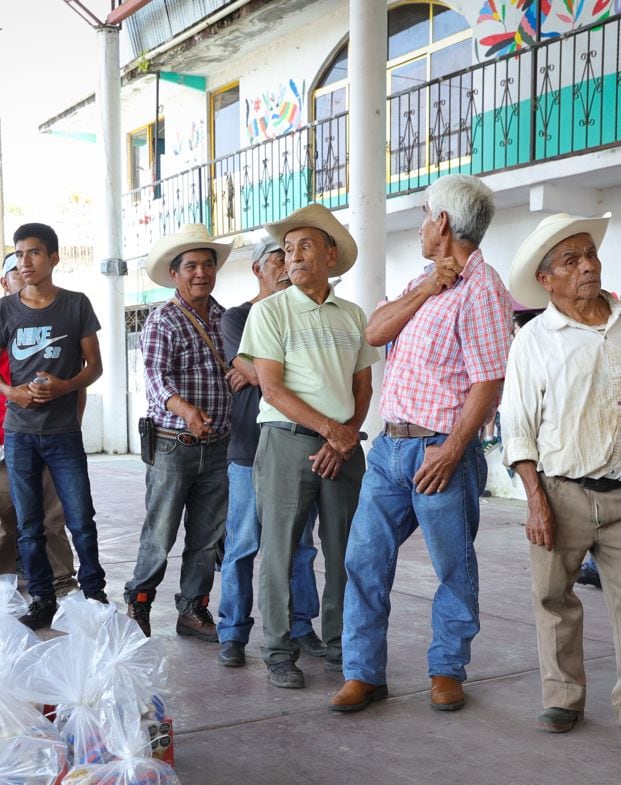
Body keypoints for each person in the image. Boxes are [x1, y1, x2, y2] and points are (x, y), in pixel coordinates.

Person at [335, 175, 512, 714]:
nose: (419, 226)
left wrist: (454, 449)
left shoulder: (484, 290)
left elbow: (489, 381)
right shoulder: (423, 278)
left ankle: (447, 668)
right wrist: (426, 287)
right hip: (390, 451)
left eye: (424, 215)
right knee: (364, 561)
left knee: (452, 566)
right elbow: (374, 332)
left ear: (442, 223)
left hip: (440, 451)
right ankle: (363, 673)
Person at [500, 212, 621, 745]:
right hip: (560, 493)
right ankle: (562, 697)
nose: (588, 266)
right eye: (570, 261)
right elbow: (519, 426)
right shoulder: (534, 338)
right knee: (554, 600)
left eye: (590, 255)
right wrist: (535, 502)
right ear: (546, 280)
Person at [242, 203, 378, 690]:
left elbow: (362, 388)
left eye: (305, 247)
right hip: (286, 442)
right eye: (288, 249)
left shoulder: (353, 315)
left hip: (342, 447)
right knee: (279, 550)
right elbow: (272, 389)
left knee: (346, 551)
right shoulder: (270, 311)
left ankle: (341, 644)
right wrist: (331, 431)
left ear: (330, 255)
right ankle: (279, 650)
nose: (294, 257)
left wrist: (344, 436)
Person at [0, 222, 108, 629]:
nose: (26, 261)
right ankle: (41, 598)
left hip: (63, 432)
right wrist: (12, 393)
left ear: (54, 257)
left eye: (34, 253)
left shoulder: (76, 305)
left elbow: (95, 366)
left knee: (80, 519)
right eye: (19, 254)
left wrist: (64, 387)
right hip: (20, 432)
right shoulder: (5, 309)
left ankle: (94, 594)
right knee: (28, 523)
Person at [215, 235, 326, 668]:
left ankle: (301, 626)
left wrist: (270, 372)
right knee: (243, 544)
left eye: (293, 256)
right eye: (278, 258)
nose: (288, 264)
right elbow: (261, 372)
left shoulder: (303, 314)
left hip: (295, 443)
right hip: (247, 446)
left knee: (299, 543)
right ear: (257, 268)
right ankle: (233, 633)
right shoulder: (238, 318)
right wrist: (270, 373)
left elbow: (294, 374)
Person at [124, 224, 233, 640]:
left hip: (218, 446)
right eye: (191, 266)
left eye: (208, 264)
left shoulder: (224, 318)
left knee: (207, 537)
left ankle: (192, 608)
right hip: (173, 445)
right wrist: (187, 411)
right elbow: (154, 378)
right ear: (175, 274)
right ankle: (139, 602)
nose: (201, 272)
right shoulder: (162, 319)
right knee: (161, 532)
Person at [0, 254, 78, 595]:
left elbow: (77, 380)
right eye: (15, 271)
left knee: (53, 520)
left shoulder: (62, 319)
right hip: (3, 440)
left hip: (54, 438)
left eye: (32, 265)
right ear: (4, 283)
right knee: (3, 521)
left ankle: (61, 585)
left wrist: (73, 427)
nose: (24, 275)